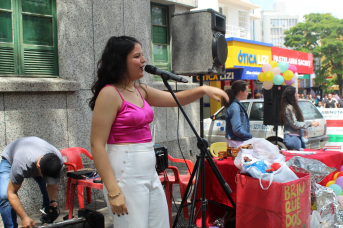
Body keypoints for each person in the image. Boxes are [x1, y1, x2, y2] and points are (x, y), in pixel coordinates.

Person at [88, 36, 229, 228]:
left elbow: (175, 98)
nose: (144, 61)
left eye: (143, 55)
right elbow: (97, 145)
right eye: (137, 56)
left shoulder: (140, 90)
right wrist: (113, 191)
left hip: (149, 173)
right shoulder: (110, 93)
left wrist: (203, 89)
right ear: (121, 61)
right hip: (126, 173)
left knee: (161, 223)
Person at [0, 137, 63, 228]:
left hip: (34, 156)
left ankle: (46, 224)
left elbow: (52, 183)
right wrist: (24, 217)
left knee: (47, 194)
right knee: (4, 196)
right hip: (10, 159)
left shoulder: (57, 160)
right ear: (38, 167)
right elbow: (11, 193)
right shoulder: (21, 163)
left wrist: (53, 201)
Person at [222, 80, 252, 147]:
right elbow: (236, 130)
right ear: (241, 92)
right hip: (236, 142)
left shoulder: (235, 105)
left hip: (235, 141)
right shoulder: (235, 106)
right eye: (247, 91)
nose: (248, 94)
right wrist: (250, 136)